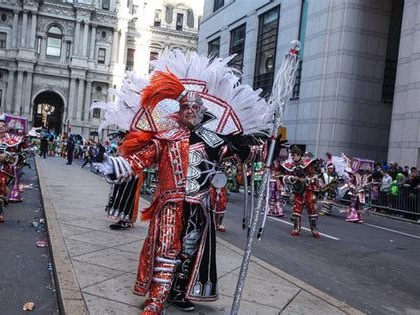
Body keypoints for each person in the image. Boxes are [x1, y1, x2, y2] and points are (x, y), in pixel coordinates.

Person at [98, 49, 280, 314]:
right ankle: (156, 300)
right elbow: (141, 159)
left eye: (196, 108)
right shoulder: (165, 138)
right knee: (167, 248)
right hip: (169, 204)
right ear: (179, 111)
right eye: (187, 107)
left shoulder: (214, 141)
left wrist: (269, 148)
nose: (191, 111)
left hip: (198, 207)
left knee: (189, 251)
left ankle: (178, 292)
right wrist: (120, 166)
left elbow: (245, 153)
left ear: (203, 112)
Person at [282, 146, 320, 237]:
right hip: (297, 190)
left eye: (296, 155)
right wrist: (292, 178)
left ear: (300, 155)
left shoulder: (307, 164)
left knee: (311, 207)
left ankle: (314, 229)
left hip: (308, 189)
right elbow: (285, 177)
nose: (294, 157)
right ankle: (296, 228)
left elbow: (314, 176)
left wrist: (307, 179)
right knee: (296, 208)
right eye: (293, 155)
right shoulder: (290, 165)